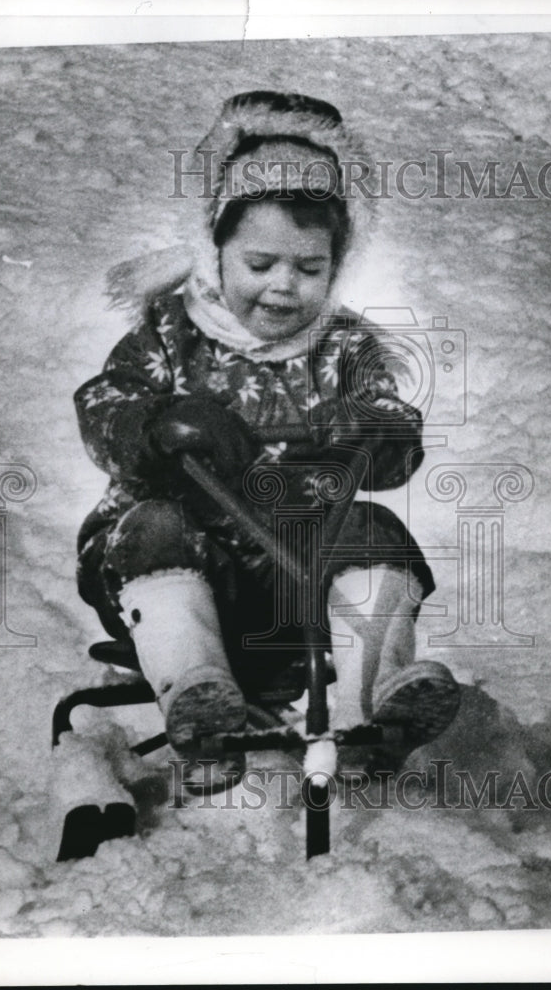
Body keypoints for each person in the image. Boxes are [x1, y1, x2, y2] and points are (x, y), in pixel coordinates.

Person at [74, 91, 459, 765]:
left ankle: (373, 708)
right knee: (157, 522)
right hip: (174, 570)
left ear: (338, 264)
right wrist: (157, 424)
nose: (284, 286)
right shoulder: (171, 333)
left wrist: (372, 430)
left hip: (295, 580)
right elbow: (105, 403)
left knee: (375, 531)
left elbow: (397, 425)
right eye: (260, 265)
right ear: (213, 249)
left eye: (309, 269)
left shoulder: (345, 348)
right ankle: (197, 690)